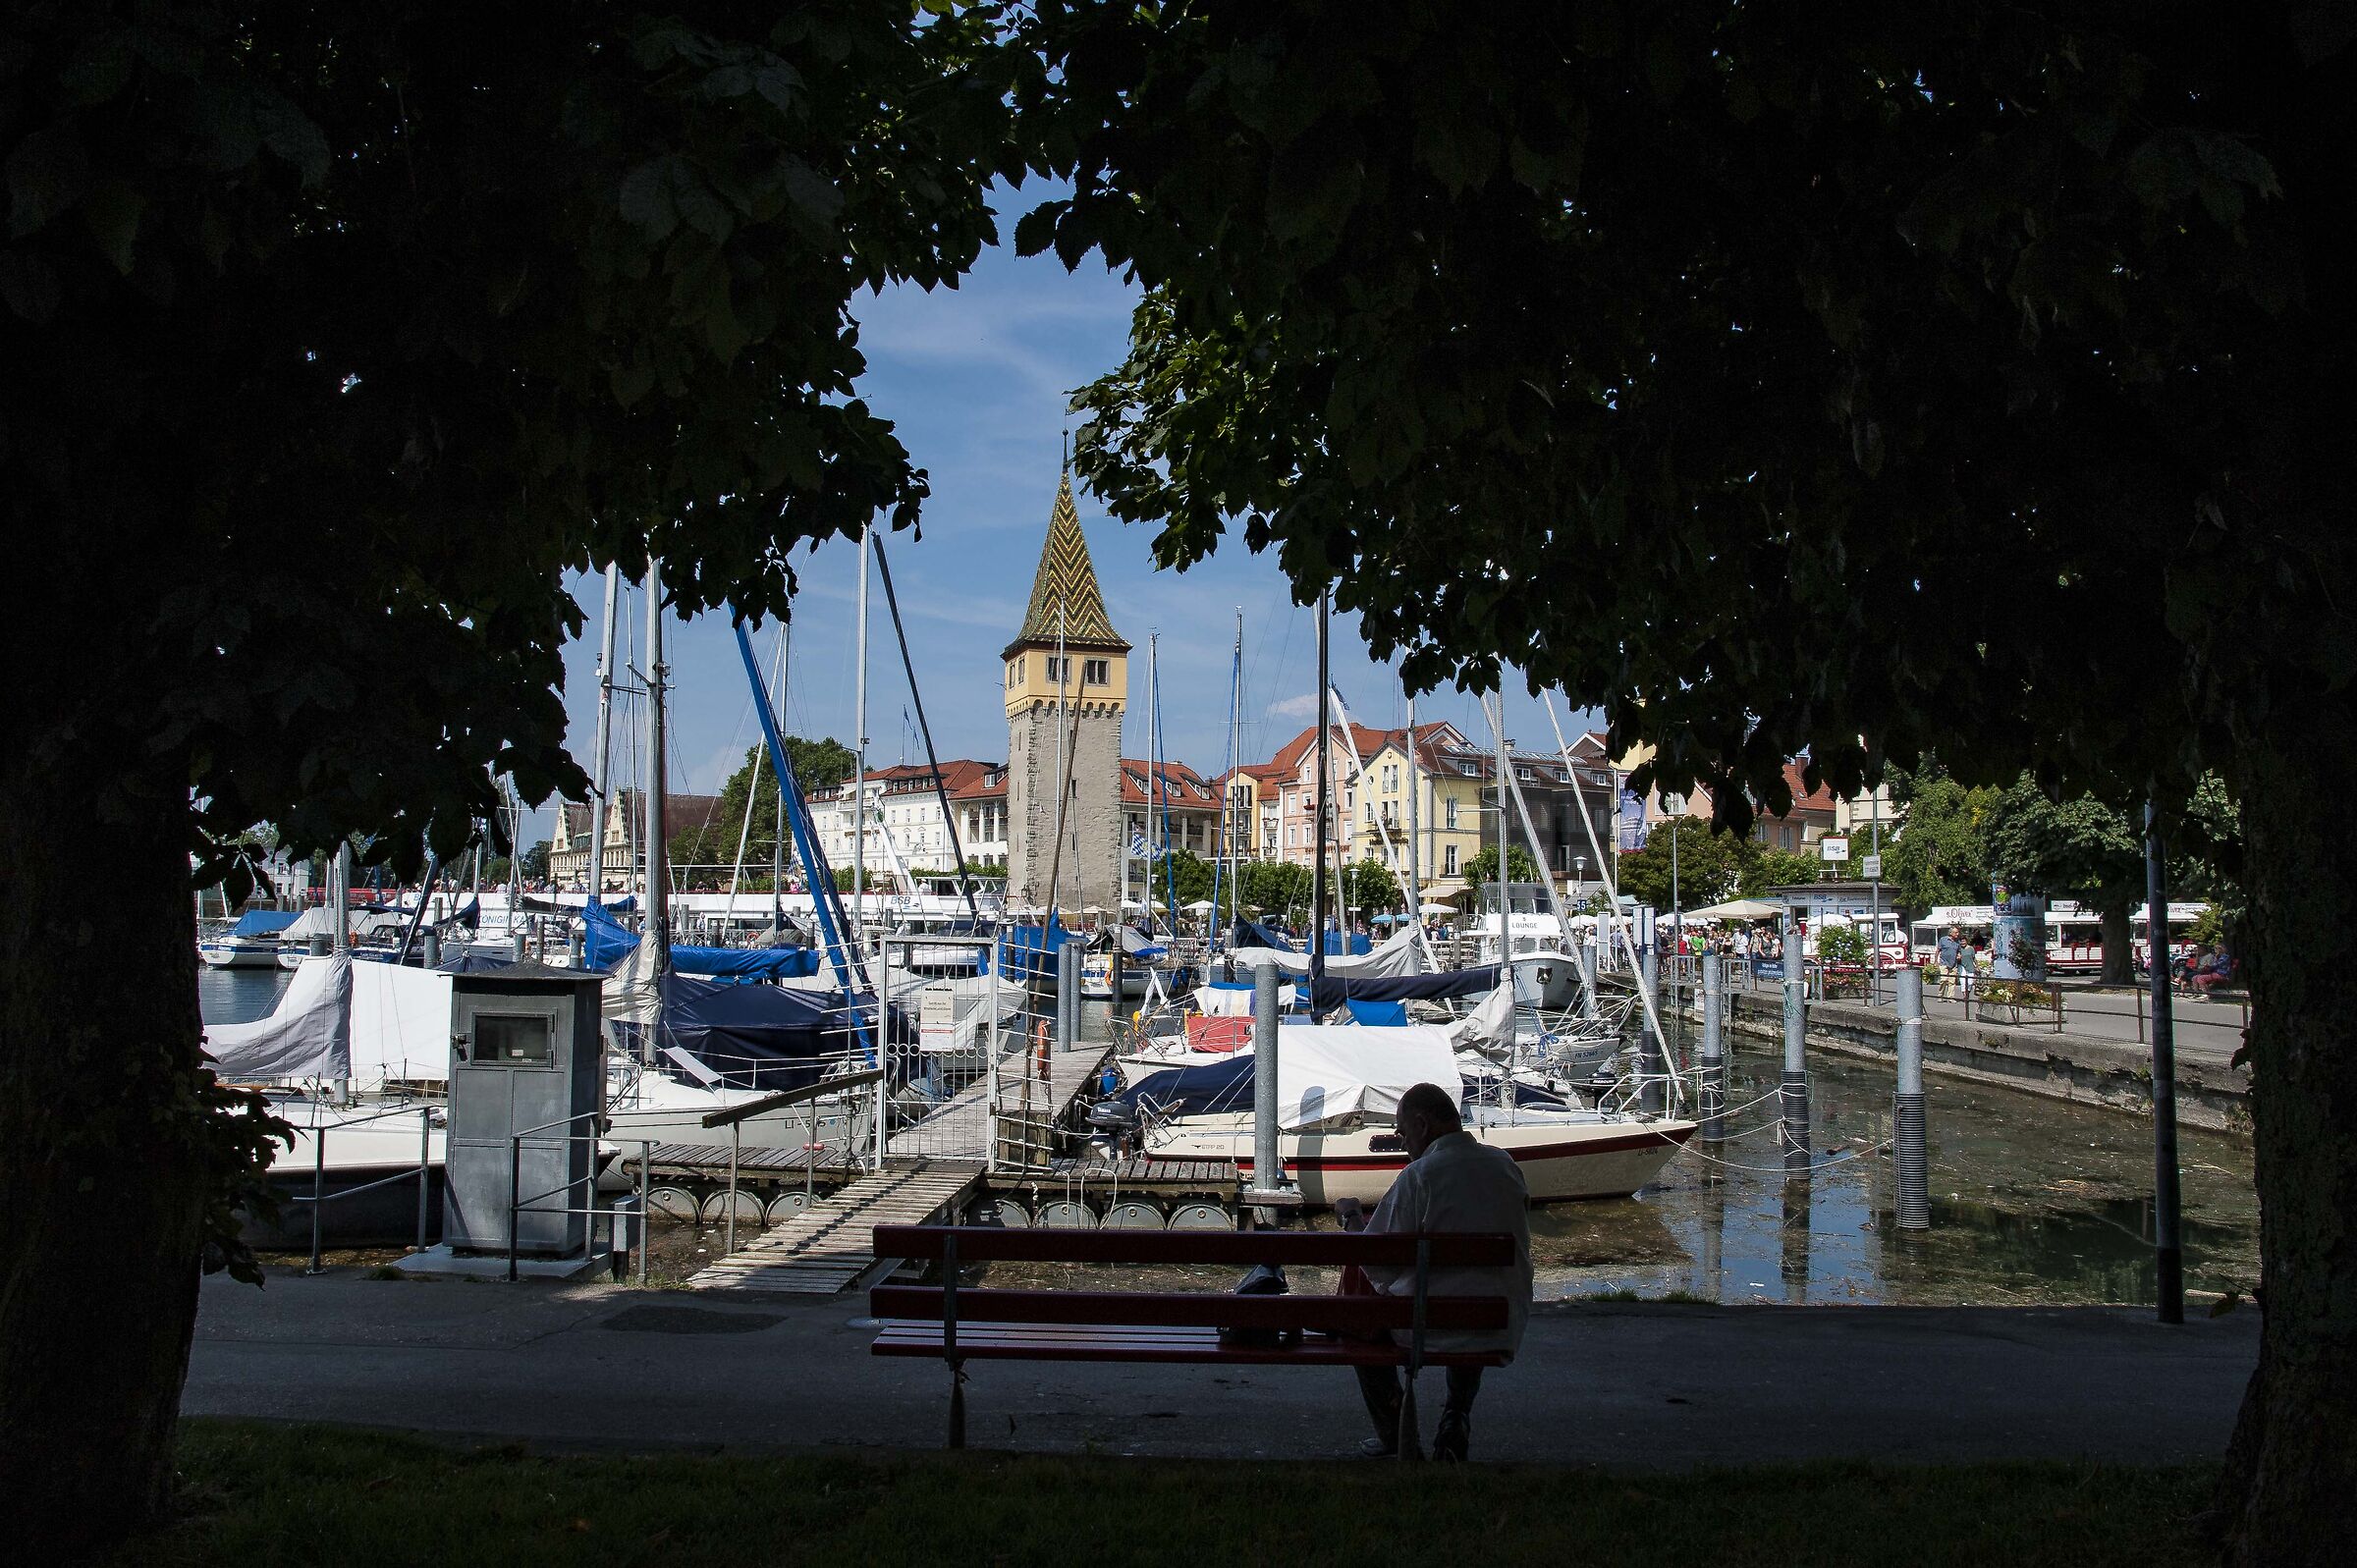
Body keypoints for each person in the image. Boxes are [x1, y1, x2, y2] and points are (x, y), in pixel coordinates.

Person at [1336, 1083, 1532, 1461]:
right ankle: (1456, 1413)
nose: (1403, 1141)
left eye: (1403, 1132)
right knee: (1468, 1294)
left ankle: (1393, 1432)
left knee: (1361, 1314)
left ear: (1422, 1125)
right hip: (1498, 1322)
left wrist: (1352, 1218)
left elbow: (1375, 1259)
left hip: (1431, 1329)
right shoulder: (1506, 1166)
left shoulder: (1419, 1176)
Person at [1936, 926, 1961, 1000]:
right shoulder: (1943, 939)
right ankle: (1940, 995)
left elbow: (1959, 951)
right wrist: (1935, 961)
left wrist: (1959, 955)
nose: (1957, 934)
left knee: (1952, 981)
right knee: (1943, 979)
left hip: (1954, 963)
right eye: (1956, 932)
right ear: (1951, 933)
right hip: (1944, 962)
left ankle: (1950, 997)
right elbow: (1938, 950)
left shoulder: (1957, 942)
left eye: (1958, 932)